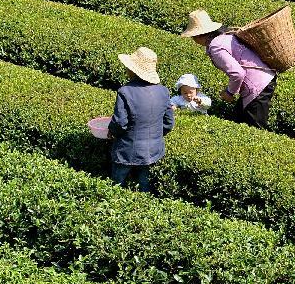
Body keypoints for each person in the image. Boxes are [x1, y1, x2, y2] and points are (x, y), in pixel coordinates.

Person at [180, 10, 276, 129]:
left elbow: (237, 73)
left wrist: (229, 93)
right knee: (238, 121)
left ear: (199, 36)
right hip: (263, 77)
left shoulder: (216, 46)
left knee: (255, 127)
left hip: (258, 85)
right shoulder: (225, 36)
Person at [107, 47, 174, 193]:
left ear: (134, 71)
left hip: (126, 151)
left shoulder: (125, 91)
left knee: (116, 188)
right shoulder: (163, 91)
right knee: (145, 188)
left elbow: (120, 123)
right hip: (153, 151)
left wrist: (111, 131)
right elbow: (168, 123)